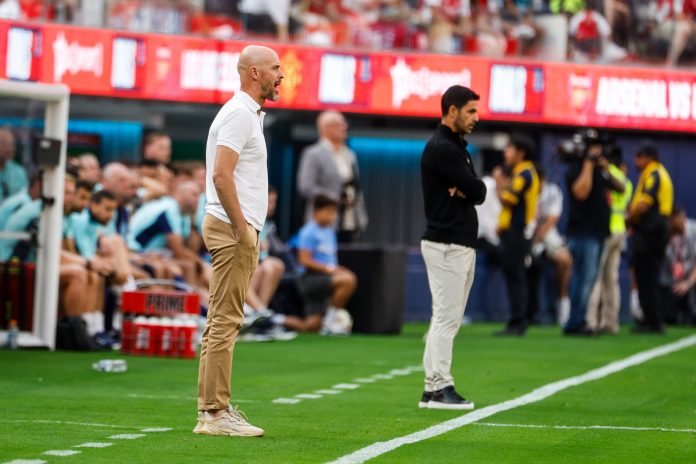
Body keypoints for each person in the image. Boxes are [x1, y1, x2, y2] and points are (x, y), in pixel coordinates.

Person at [195, 45, 283, 438]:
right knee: (226, 321)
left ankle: (213, 409)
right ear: (253, 73)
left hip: (235, 225)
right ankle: (214, 414)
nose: (281, 75)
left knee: (221, 321)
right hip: (233, 227)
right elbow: (221, 175)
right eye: (275, 68)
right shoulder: (238, 114)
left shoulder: (246, 114)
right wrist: (241, 228)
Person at [419, 85, 486, 410]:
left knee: (446, 318)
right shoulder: (444, 148)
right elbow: (478, 189)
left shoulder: (454, 145)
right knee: (446, 318)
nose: (476, 117)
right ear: (452, 111)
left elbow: (476, 190)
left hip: (455, 243)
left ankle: (433, 387)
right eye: (471, 111)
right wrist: (471, 189)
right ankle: (440, 386)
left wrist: (470, 189)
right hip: (447, 244)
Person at [563, 134, 624, 336]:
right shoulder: (576, 168)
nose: (598, 151)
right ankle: (575, 322)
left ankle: (577, 321)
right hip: (583, 233)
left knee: (588, 279)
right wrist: (588, 164)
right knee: (584, 279)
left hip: (599, 233)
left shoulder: (601, 169)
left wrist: (604, 167)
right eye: (594, 148)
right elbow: (581, 192)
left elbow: (620, 188)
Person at [273, 194, 356, 334]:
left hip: (325, 279)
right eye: (328, 211)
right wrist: (330, 270)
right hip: (310, 280)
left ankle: (274, 320)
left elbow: (331, 262)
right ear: (316, 211)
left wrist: (337, 269)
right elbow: (304, 260)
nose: (332, 216)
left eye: (334, 212)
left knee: (311, 326)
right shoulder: (308, 232)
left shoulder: (330, 233)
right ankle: (331, 321)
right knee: (348, 280)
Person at [297, 110, 368, 243]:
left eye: (344, 124)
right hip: (324, 220)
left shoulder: (349, 154)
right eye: (339, 124)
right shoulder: (313, 153)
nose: (344, 127)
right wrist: (336, 198)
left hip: (350, 219)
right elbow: (306, 187)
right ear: (326, 128)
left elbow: (355, 186)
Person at [494, 136, 539, 336]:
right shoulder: (523, 172)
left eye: (510, 149)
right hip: (514, 232)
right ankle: (518, 320)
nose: (506, 153)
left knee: (516, 276)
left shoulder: (523, 174)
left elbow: (508, 200)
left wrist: (498, 184)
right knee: (515, 276)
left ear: (521, 152)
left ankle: (518, 321)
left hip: (517, 233)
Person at [627, 144, 674, 334]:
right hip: (651, 230)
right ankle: (650, 318)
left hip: (652, 230)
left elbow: (644, 204)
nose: (636, 162)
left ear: (648, 158)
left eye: (639, 157)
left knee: (647, 275)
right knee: (645, 275)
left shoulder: (654, 174)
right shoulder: (654, 173)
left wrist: (628, 219)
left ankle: (653, 321)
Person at [586, 150, 633, 334]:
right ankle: (611, 322)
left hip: (606, 229)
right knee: (611, 279)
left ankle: (590, 321)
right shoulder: (625, 179)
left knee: (596, 277)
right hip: (620, 230)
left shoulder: (605, 173)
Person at [526, 166, 572, 326]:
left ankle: (563, 303)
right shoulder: (525, 188)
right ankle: (528, 311)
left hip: (547, 236)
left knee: (565, 260)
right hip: (526, 236)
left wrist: (539, 235)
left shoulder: (552, 192)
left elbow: (552, 218)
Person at [660, 206, 696, 325]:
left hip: (692, 280)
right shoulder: (666, 235)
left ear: (682, 217)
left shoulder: (694, 231)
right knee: (668, 316)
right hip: (673, 282)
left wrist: (688, 283)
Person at [0, 127, 28, 203]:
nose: (11, 149)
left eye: (12, 144)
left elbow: (25, 199)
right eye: (5, 144)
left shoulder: (19, 172)